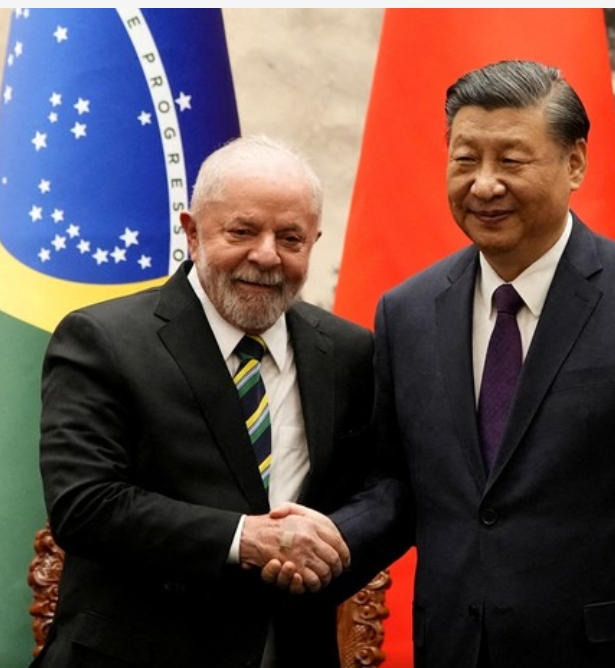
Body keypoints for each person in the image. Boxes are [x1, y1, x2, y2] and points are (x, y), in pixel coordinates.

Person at [284, 59, 615, 667]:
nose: (484, 185)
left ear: (575, 162)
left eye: (511, 161)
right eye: (466, 159)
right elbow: (398, 486)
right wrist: (324, 542)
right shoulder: (407, 313)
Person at [33, 135, 374, 668]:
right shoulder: (103, 339)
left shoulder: (350, 353)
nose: (267, 255)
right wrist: (245, 538)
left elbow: (383, 490)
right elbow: (85, 505)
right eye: (242, 231)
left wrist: (328, 545)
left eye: (291, 238)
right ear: (192, 232)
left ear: (314, 242)